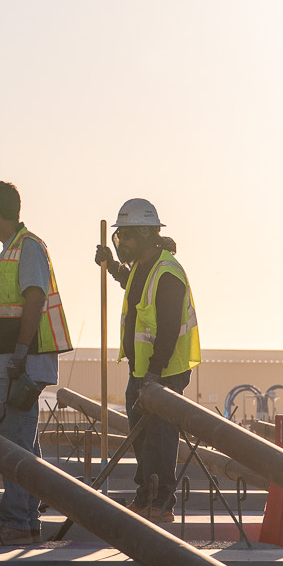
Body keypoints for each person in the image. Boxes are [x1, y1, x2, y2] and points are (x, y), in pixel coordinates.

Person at [0, 181, 72, 546]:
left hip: (19, 365)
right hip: (12, 363)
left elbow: (33, 300)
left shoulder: (27, 248)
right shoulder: (11, 251)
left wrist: (18, 353)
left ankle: (14, 523)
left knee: (13, 445)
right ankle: (26, 523)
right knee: (23, 445)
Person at [95, 199, 199, 525]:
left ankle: (161, 502)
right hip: (141, 370)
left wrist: (153, 377)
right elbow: (132, 287)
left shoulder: (168, 273)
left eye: (125, 236)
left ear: (143, 233)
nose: (121, 242)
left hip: (163, 373)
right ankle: (147, 496)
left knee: (161, 438)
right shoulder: (144, 267)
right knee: (142, 438)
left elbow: (167, 330)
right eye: (118, 237)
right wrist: (112, 266)